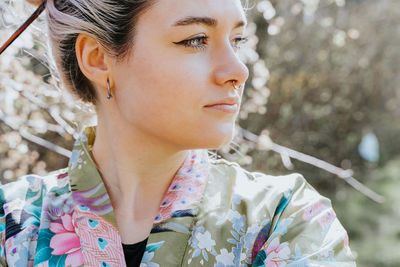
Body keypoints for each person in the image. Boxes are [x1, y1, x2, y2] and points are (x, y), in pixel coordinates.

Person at [0, 0, 356, 266]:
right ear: (97, 59)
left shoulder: (284, 218)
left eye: (238, 39)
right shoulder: (12, 227)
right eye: (196, 39)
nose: (238, 70)